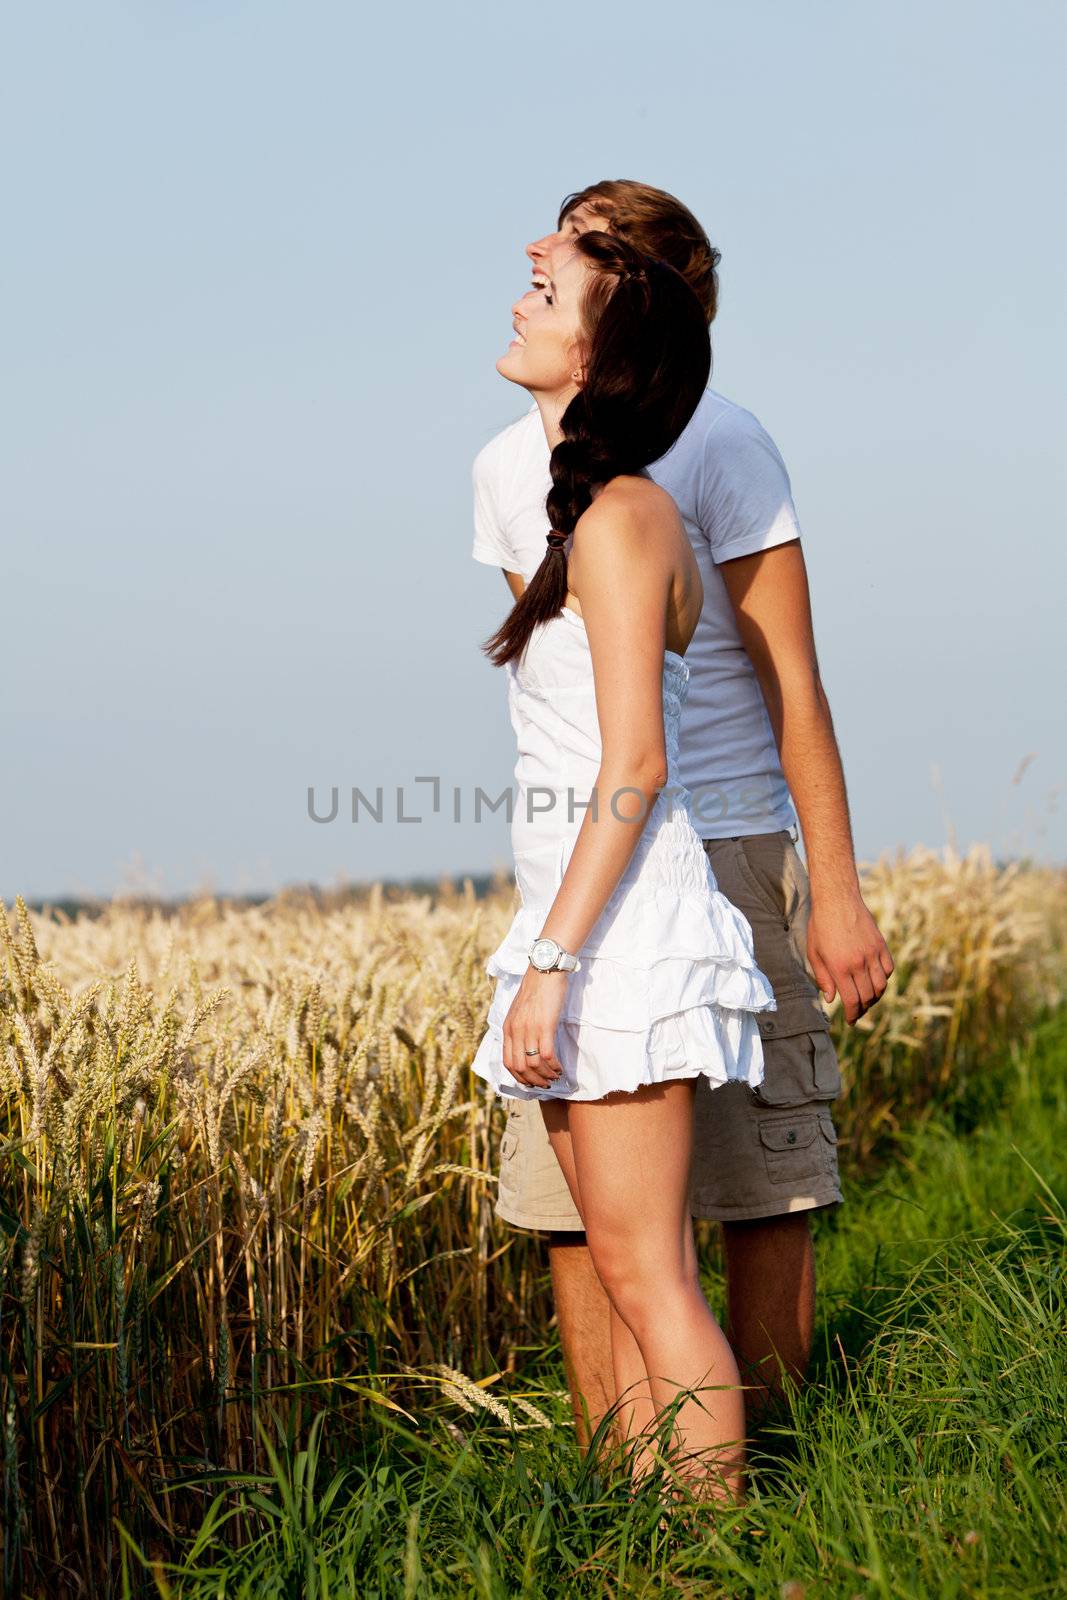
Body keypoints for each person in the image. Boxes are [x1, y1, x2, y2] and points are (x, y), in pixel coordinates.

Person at [471, 181, 894, 1446]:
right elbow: (568, 693)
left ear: (636, 294)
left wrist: (834, 886)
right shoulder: (509, 470)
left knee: (760, 1181)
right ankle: (632, 1495)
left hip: (716, 846)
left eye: (578, 244)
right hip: (586, 858)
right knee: (578, 1218)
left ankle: (766, 1461)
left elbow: (787, 683)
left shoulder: (720, 448)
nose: (539, 250)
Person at [469, 226, 781, 1500]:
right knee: (620, 1263)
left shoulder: (619, 516)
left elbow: (634, 764)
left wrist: (551, 962)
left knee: (649, 1275)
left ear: (600, 354)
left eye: (547, 295)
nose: (518, 299)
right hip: (579, 919)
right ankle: (666, 1535)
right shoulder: (590, 507)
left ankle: (713, 1550)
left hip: (614, 936)